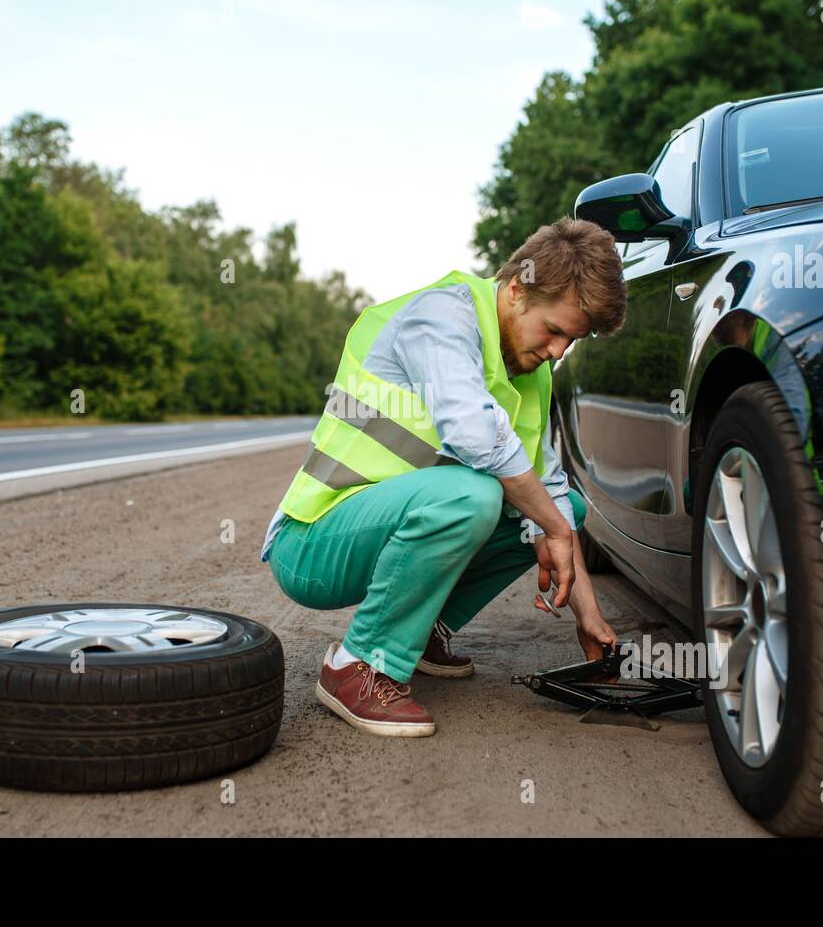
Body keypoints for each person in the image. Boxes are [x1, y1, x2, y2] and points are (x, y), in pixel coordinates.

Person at [260, 217, 628, 737]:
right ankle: (357, 667)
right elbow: (477, 436)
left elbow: (549, 495)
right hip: (314, 541)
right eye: (555, 331)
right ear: (518, 289)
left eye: (573, 340)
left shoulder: (531, 374)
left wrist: (588, 617)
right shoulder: (441, 317)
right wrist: (556, 529)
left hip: (385, 527)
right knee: (478, 496)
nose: (558, 352)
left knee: (562, 507)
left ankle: (418, 628)